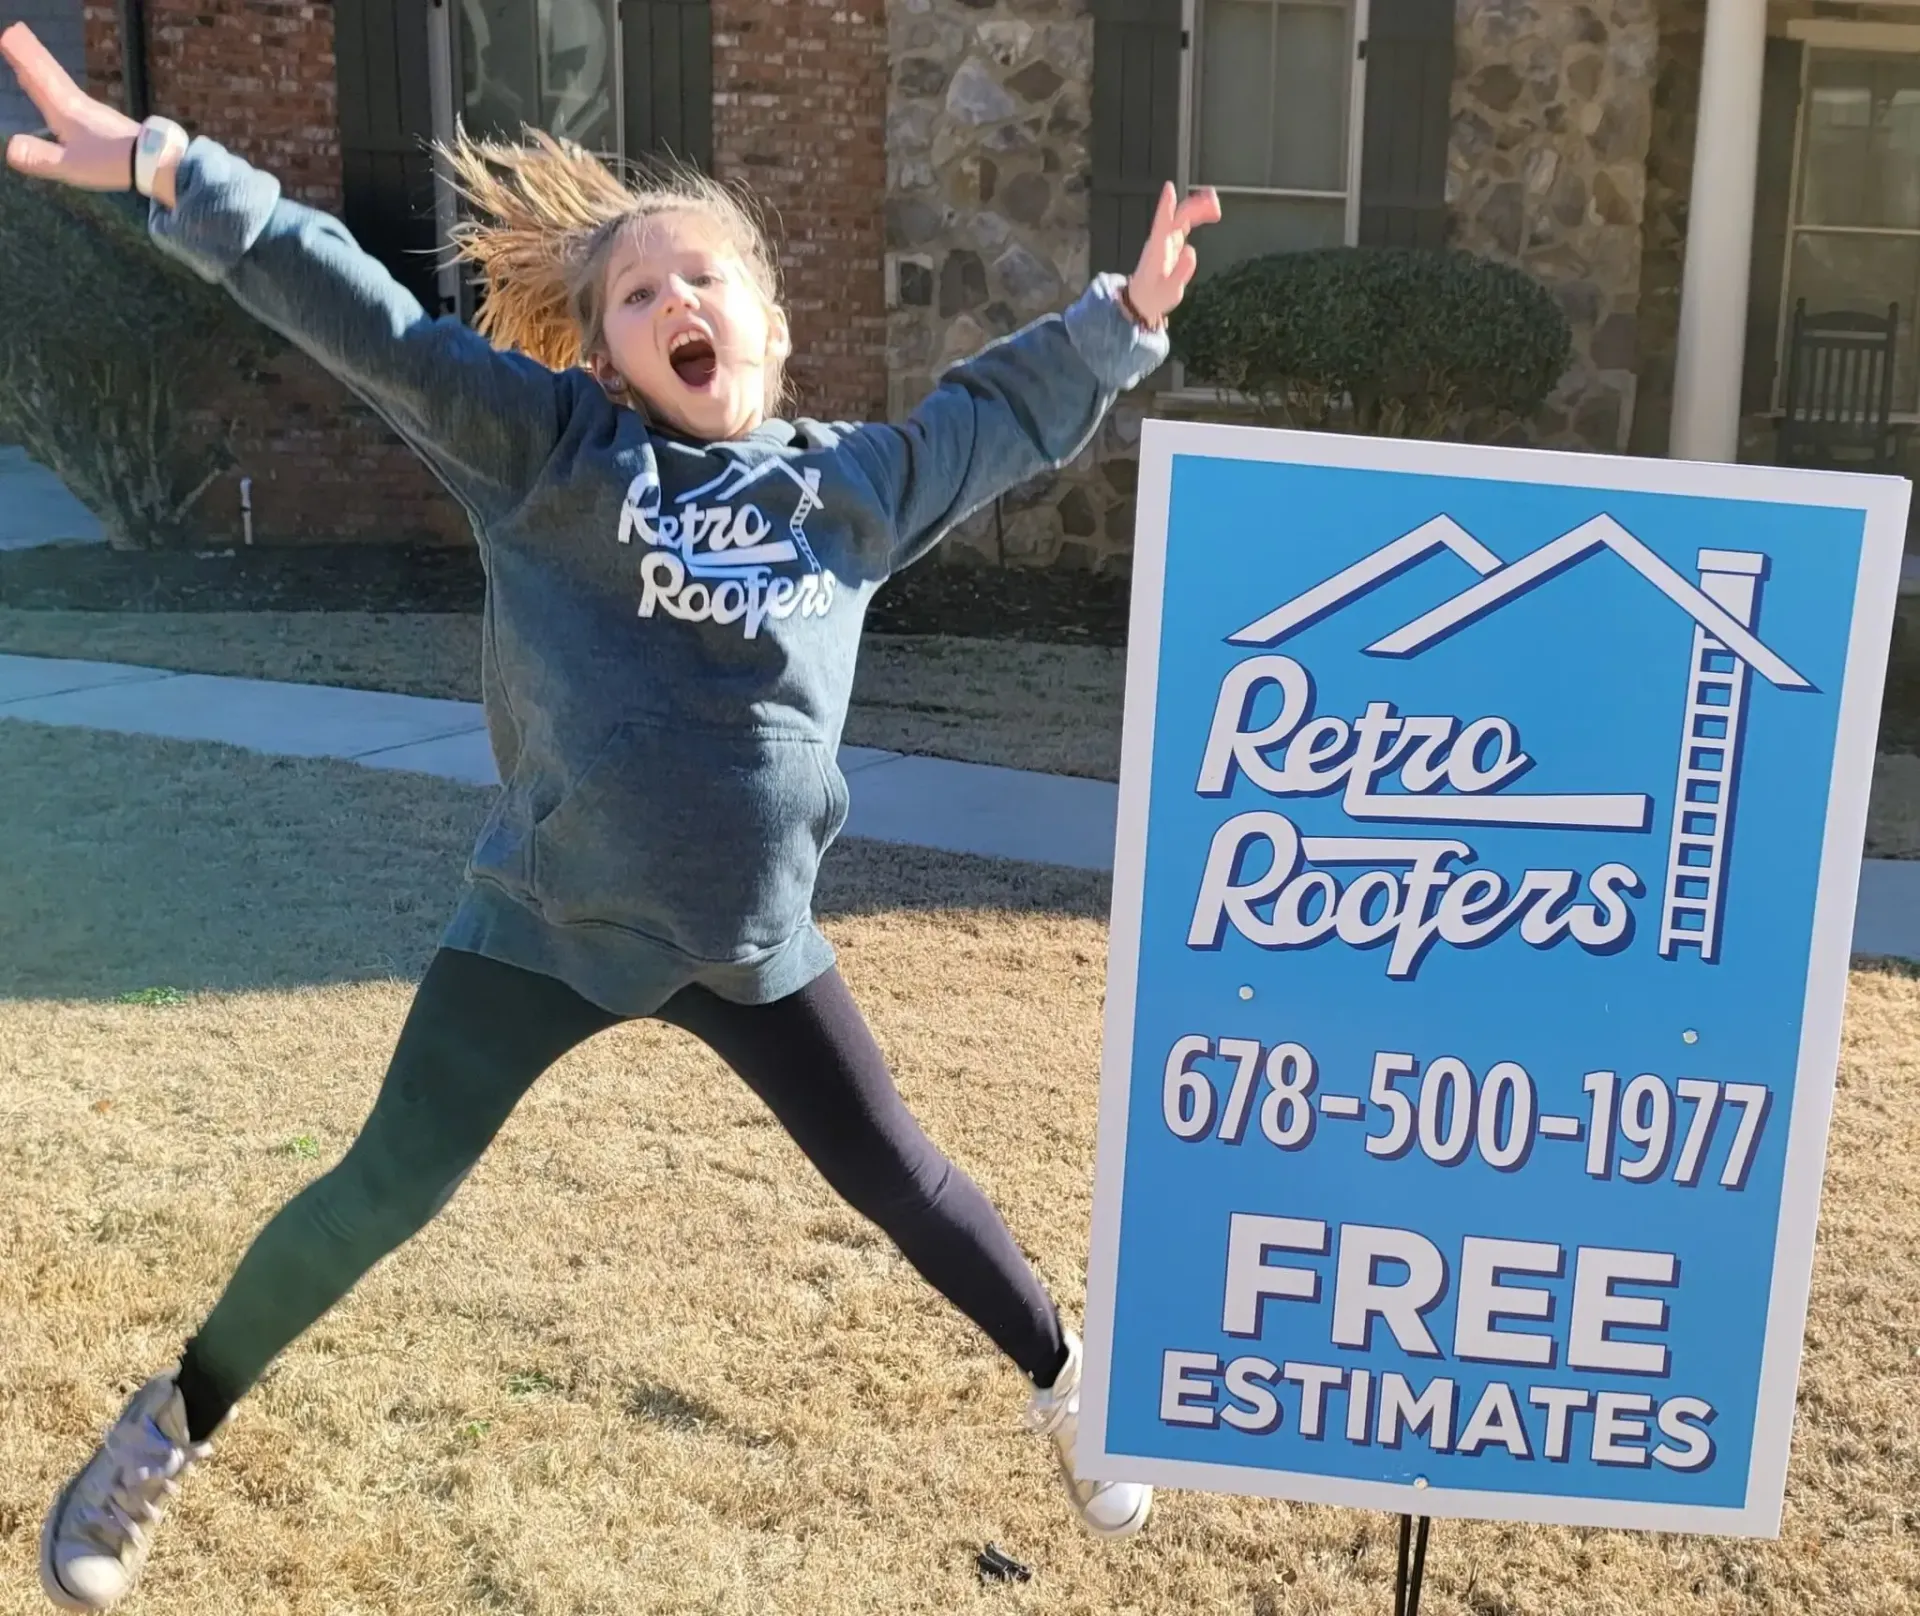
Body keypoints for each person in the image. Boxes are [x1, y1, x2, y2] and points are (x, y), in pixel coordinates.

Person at [1, 20, 1220, 1612]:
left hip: (749, 943)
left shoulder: (850, 491)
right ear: (602, 354)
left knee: (901, 1176)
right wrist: (175, 168)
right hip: (547, 923)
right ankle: (167, 1427)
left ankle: (1072, 1388)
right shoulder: (547, 453)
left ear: (773, 329)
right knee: (378, 1187)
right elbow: (359, 317)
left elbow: (993, 418)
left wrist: (1118, 321)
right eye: (639, 295)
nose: (676, 304)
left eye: (704, 278)